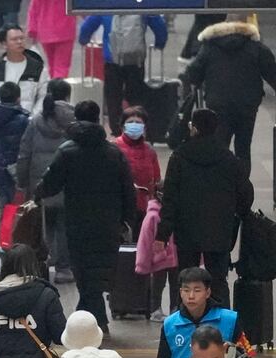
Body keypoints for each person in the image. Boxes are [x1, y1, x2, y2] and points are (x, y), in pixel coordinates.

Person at [35, 99, 138, 330]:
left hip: (77, 223)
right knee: (97, 275)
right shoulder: (114, 153)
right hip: (108, 224)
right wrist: (126, 220)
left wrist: (38, 192)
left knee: (83, 275)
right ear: (97, 118)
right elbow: (127, 190)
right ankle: (91, 323)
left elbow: (50, 184)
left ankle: (91, 324)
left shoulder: (67, 151)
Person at [156, 109, 252, 309]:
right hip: (219, 230)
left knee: (187, 280)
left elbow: (170, 199)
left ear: (195, 128)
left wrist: (162, 234)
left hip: (187, 230)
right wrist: (236, 214)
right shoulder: (229, 158)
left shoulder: (180, 157)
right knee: (218, 281)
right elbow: (245, 194)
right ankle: (222, 329)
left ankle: (186, 324)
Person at [182, 18, 276, 162]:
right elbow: (271, 72)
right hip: (247, 105)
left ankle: (222, 180)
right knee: (243, 148)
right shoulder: (256, 47)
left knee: (219, 145)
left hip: (218, 104)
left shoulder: (209, 47)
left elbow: (193, 73)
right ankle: (241, 181)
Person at [15, 79, 76, 281]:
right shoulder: (76, 122)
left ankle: (43, 264)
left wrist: (22, 182)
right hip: (68, 185)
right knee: (65, 227)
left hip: (40, 184)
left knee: (42, 226)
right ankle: (64, 269)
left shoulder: (36, 121)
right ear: (68, 96)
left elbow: (24, 153)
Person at [78, 14, 168, 135]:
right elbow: (158, 22)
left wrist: (84, 39)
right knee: (136, 96)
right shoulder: (141, 3)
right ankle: (136, 128)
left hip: (112, 60)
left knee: (113, 97)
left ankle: (117, 130)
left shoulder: (108, 4)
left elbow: (89, 23)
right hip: (136, 60)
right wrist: (160, 43)